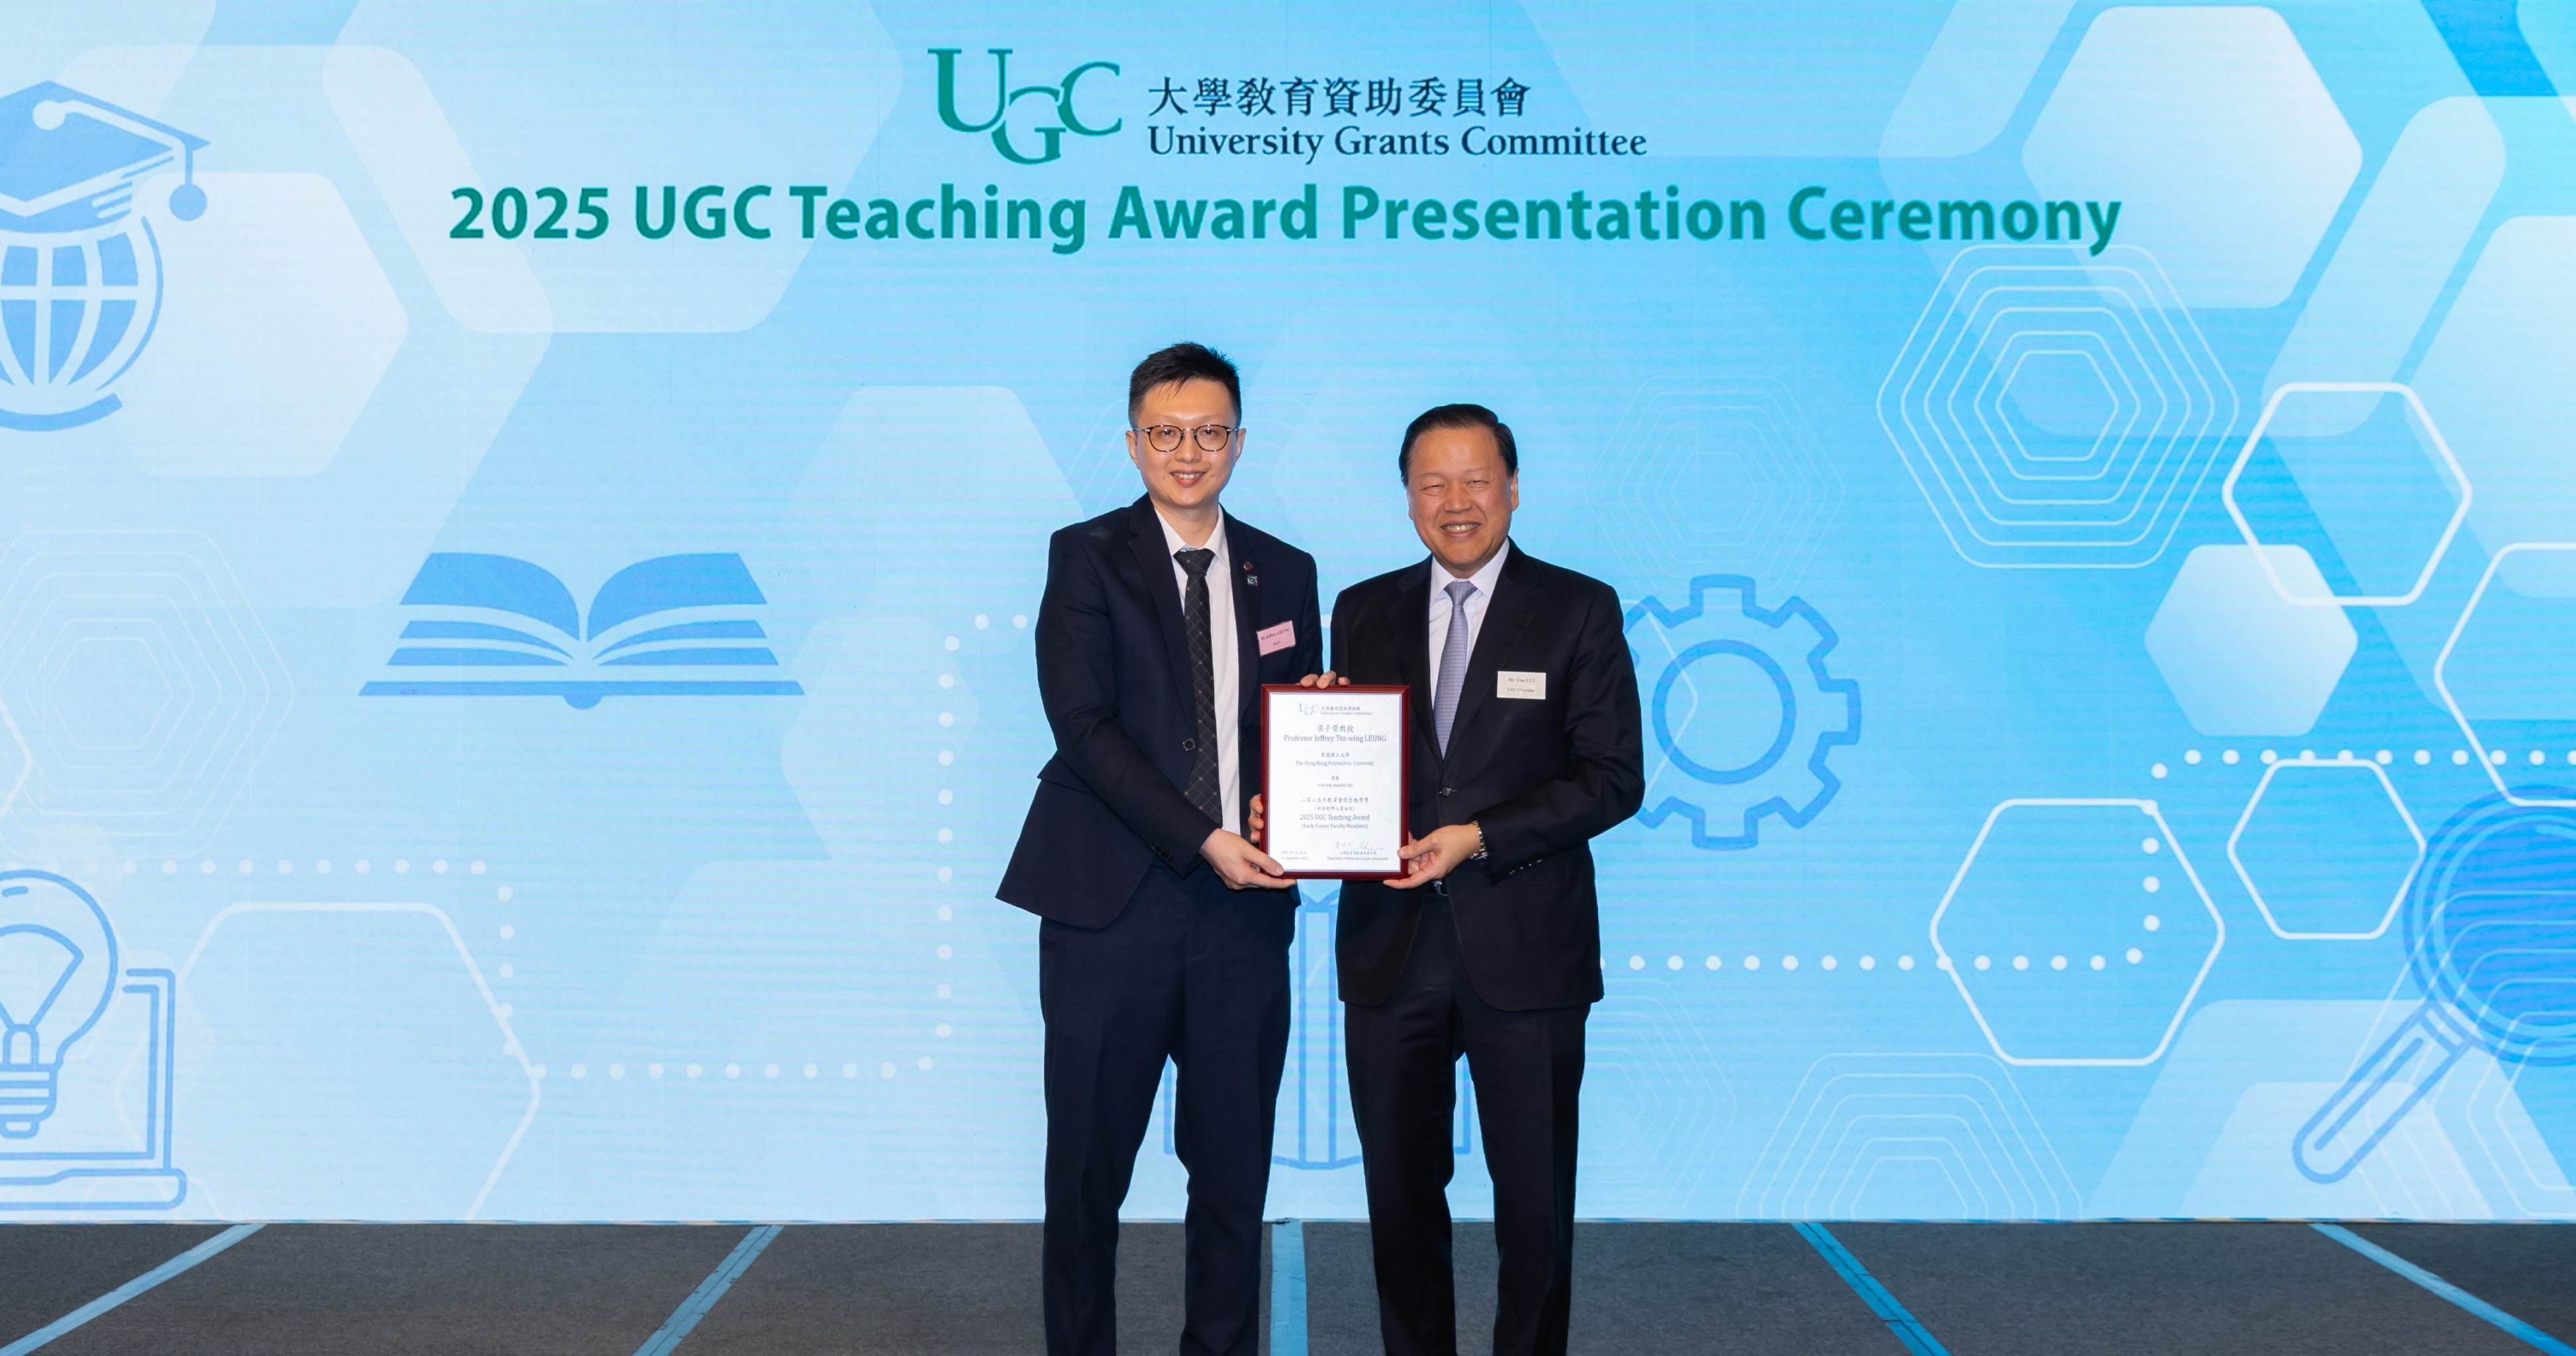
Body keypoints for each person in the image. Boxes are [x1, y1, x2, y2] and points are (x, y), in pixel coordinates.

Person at [1267, 403, 1640, 1356]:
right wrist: (1303, 763)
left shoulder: (1577, 608)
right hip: (1392, 950)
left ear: (1513, 489)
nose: (1456, 501)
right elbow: (1353, 764)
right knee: (1398, 1194)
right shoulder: (1361, 608)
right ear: (1406, 500)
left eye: (1476, 480)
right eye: (1433, 483)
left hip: (1528, 948)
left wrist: (1479, 835)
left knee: (1534, 1198)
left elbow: (1611, 779)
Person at [997, 342, 1323, 1356]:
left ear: (1238, 441)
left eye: (1211, 432)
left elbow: (1283, 733)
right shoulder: (1085, 555)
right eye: (1168, 433)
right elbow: (1085, 730)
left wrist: (1305, 778)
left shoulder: (1288, 570)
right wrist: (1205, 837)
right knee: (1087, 1177)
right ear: (1133, 441)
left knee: (1233, 1175)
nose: (1190, 453)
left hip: (1241, 916)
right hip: (1110, 910)